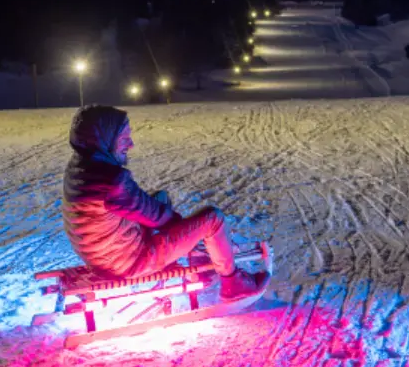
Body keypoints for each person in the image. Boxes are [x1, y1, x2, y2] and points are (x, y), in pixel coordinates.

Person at [62, 105, 267, 300]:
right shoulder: (110, 181)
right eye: (124, 138)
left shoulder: (82, 166)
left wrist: (184, 235)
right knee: (212, 219)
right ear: (105, 138)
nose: (131, 144)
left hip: (103, 257)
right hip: (128, 263)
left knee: (161, 198)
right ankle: (234, 284)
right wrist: (191, 235)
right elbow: (158, 216)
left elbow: (144, 207)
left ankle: (190, 259)